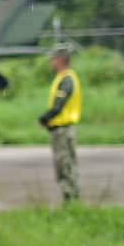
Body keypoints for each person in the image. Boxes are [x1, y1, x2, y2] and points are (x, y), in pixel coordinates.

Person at [40, 45, 82, 203]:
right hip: (63, 129)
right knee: (68, 163)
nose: (51, 62)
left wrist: (44, 118)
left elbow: (59, 105)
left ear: (59, 60)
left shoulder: (66, 79)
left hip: (63, 129)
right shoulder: (66, 77)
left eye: (53, 59)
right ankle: (72, 197)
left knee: (64, 164)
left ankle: (70, 198)